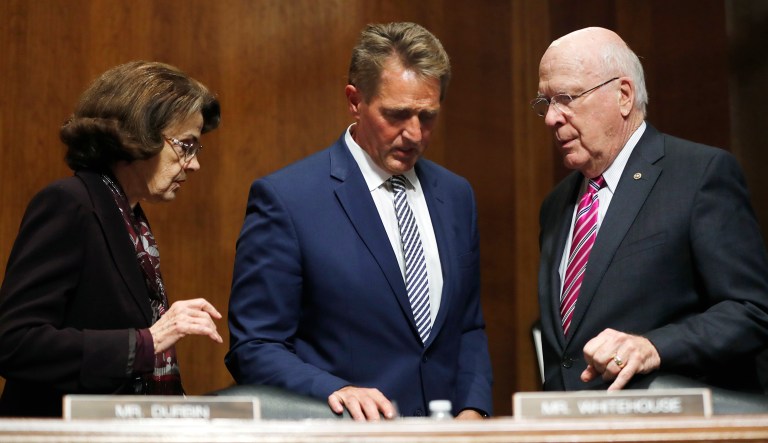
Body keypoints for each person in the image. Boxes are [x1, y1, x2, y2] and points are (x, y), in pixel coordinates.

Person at [226, 22, 493, 420]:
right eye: (397, 114)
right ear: (355, 100)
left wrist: (474, 409)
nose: (415, 134)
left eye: (428, 116)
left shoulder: (455, 196)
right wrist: (336, 390)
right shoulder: (288, 200)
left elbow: (467, 328)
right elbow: (255, 346)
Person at [533, 27, 768, 392]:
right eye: (545, 102)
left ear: (623, 95)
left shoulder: (699, 174)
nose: (551, 117)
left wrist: (653, 346)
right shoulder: (555, 206)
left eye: (566, 97)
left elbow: (752, 312)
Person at [0, 61, 224, 417]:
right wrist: (146, 343)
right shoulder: (69, 203)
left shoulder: (130, 217)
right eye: (186, 145)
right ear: (141, 133)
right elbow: (14, 343)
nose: (193, 164)